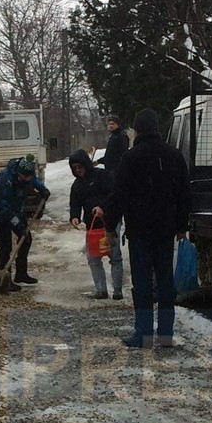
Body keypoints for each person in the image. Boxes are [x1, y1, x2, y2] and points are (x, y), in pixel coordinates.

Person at [102, 108, 191, 349]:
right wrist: (182, 224)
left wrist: (110, 227)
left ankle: (143, 334)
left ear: (137, 129)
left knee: (142, 282)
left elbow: (118, 195)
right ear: (157, 128)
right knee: (164, 280)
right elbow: (185, 192)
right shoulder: (174, 156)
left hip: (139, 230)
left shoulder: (131, 158)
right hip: (166, 229)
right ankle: (165, 334)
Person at [0, 155, 50, 292]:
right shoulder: (6, 180)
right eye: (25, 177)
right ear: (19, 173)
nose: (28, 180)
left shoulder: (27, 174)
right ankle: (6, 278)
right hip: (0, 212)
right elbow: (5, 208)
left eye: (29, 177)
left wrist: (43, 189)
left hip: (17, 208)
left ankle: (21, 274)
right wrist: (18, 225)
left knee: (26, 239)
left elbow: (34, 180)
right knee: (5, 246)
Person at [68, 149, 124, 300]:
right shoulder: (77, 185)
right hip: (92, 226)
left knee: (115, 255)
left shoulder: (103, 176)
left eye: (80, 166)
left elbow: (114, 195)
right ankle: (101, 289)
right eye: (74, 168)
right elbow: (75, 203)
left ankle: (117, 290)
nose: (77, 170)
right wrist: (74, 217)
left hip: (110, 222)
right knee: (93, 257)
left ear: (86, 164)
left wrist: (103, 208)